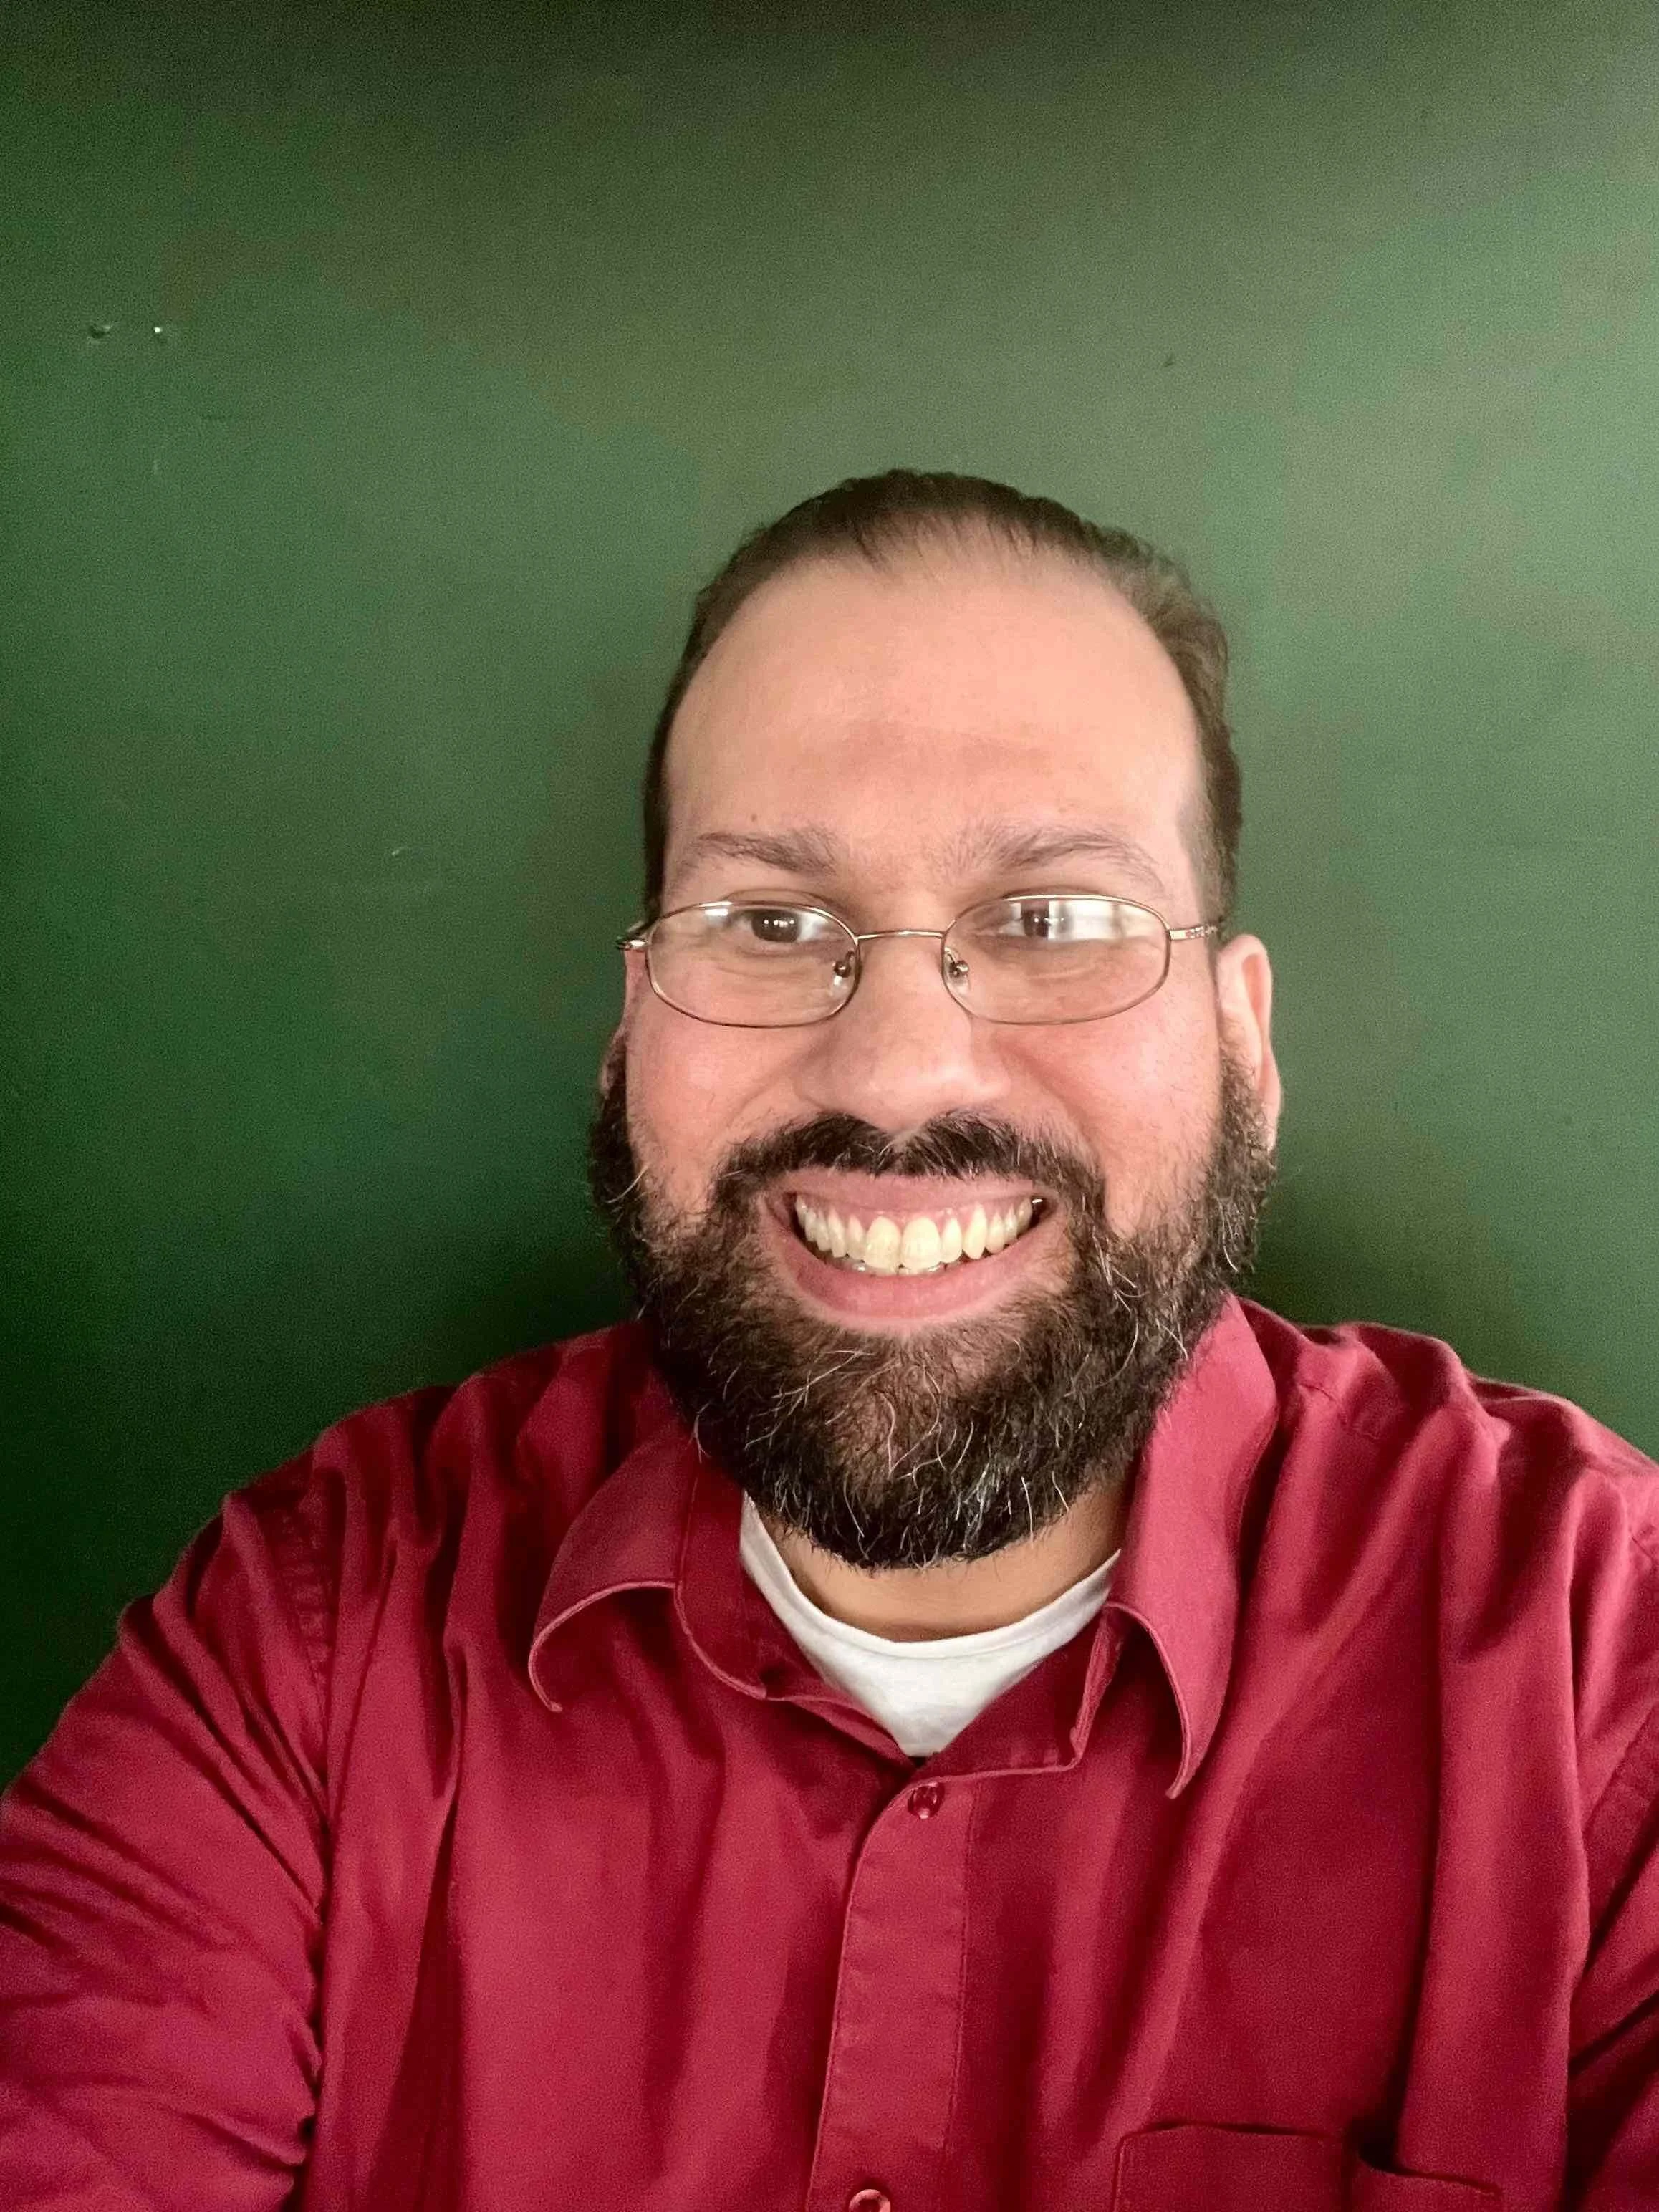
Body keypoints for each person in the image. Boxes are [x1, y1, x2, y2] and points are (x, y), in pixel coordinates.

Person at [2, 471, 1657, 2212]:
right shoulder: (313, 1643)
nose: (899, 1070)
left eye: (1053, 919)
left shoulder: (1593, 1672)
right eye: (772, 925)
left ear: (1243, 1042)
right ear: (632, 1028)